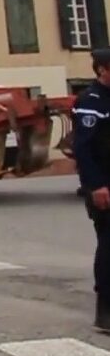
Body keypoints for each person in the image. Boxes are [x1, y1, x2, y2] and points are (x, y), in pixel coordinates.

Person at [74, 48, 110, 331]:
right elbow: (84, 149)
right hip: (103, 186)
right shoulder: (90, 101)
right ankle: (106, 310)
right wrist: (96, 185)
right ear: (102, 70)